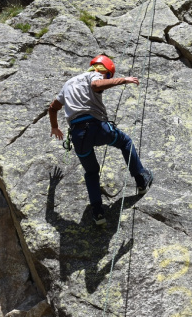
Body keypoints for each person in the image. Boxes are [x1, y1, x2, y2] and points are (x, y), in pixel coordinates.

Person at [49, 55, 153, 225]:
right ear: (104, 70)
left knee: (91, 172)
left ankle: (98, 213)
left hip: (78, 135)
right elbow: (96, 85)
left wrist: (54, 127)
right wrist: (124, 80)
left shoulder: (68, 84)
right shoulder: (95, 75)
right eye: (108, 76)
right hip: (97, 127)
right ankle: (141, 180)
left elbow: (53, 108)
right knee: (125, 142)